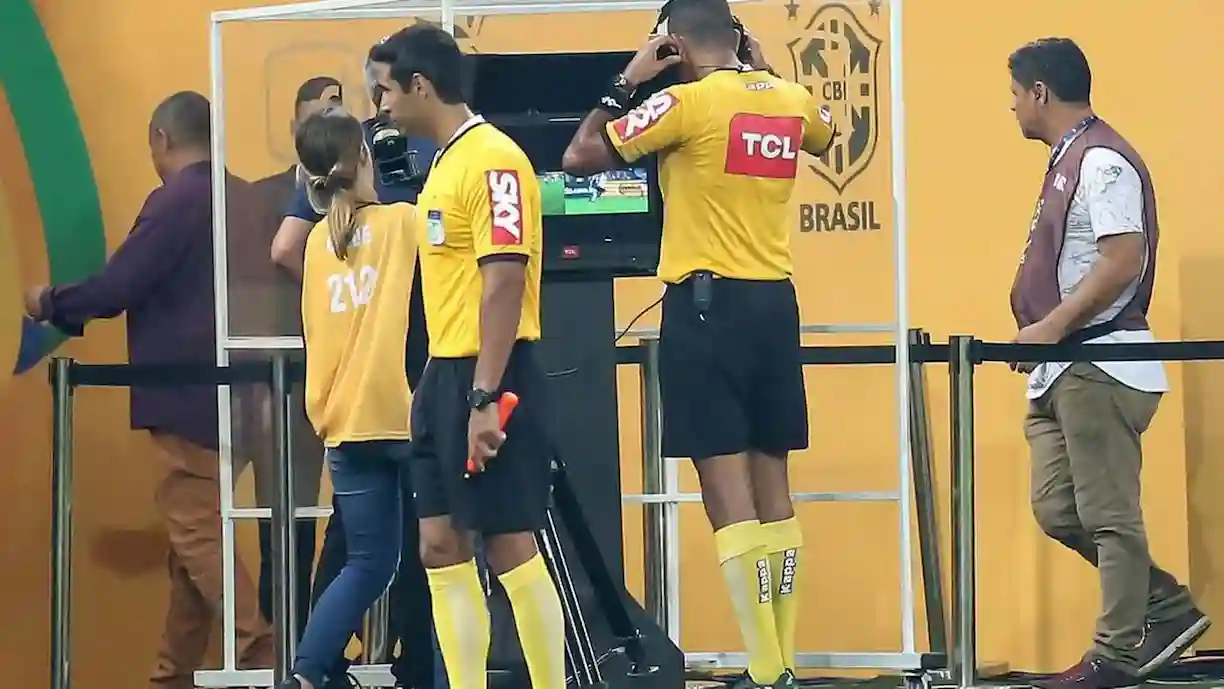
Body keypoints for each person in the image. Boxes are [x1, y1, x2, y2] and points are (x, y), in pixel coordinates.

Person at [561, 1, 835, 687]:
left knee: (725, 486)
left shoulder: (685, 103)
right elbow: (825, 134)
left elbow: (580, 154)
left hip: (708, 308)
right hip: (776, 305)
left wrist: (626, 81)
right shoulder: (791, 100)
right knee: (775, 485)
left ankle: (767, 667)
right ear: (738, 36)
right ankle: (782, 664)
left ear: (673, 43)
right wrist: (762, 68)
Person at [23, 90, 273, 689]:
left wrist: (51, 303)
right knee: (192, 548)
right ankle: (172, 676)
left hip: (188, 398)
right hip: (247, 396)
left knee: (195, 532)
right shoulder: (244, 198)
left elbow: (121, 285)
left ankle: (263, 655)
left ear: (161, 138)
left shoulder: (176, 201)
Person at [1005, 37, 1209, 689]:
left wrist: (1053, 326)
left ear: (1040, 93)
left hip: (1100, 363)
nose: (1010, 107)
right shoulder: (1071, 160)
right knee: (1059, 508)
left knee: (1109, 515)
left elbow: (1125, 257)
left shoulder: (1101, 163)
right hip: (1062, 367)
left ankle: (1114, 654)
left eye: (1015, 93)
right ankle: (1167, 606)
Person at [368, 24, 565, 689]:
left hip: (490, 373)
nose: (383, 108)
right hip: (443, 375)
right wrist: (439, 386)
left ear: (420, 85)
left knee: (509, 544)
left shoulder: (494, 160)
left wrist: (484, 394)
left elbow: (505, 275)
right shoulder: (444, 163)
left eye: (386, 91)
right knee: (438, 545)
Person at [272, 73, 442, 689]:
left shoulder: (318, 242)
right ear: (365, 158)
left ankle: (311, 670)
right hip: (403, 413)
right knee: (443, 562)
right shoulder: (402, 222)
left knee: (367, 563)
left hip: (343, 420)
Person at [241, 74, 345, 641]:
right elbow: (256, 284)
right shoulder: (265, 198)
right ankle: (286, 636)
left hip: (353, 366)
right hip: (289, 372)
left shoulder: (365, 189)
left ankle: (338, 639)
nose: (325, 126)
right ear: (294, 127)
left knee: (356, 512)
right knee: (287, 512)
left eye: (336, 114)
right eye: (316, 116)